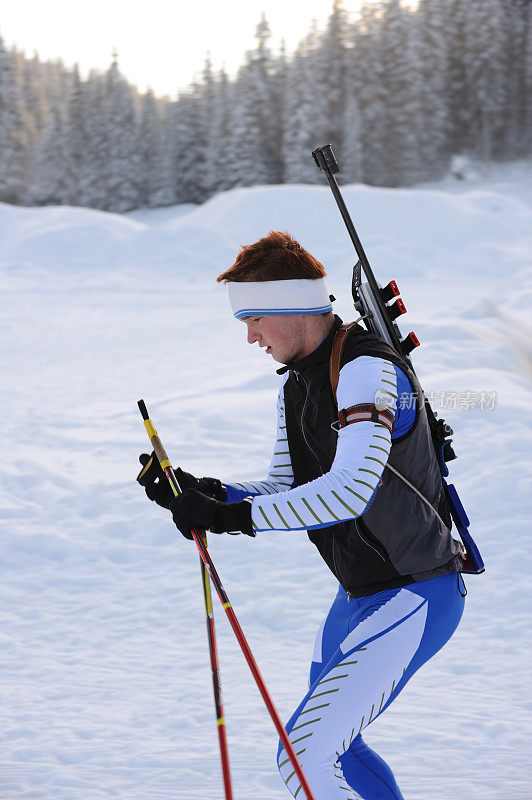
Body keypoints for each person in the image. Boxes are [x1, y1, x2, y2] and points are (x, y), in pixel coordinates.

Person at [137, 230, 466, 800]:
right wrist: (201, 491)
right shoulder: (300, 383)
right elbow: (284, 486)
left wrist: (225, 517)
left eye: (254, 320)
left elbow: (346, 494)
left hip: (416, 594)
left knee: (304, 756)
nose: (250, 337)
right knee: (331, 745)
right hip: (360, 596)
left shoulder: (366, 370)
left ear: (290, 305)